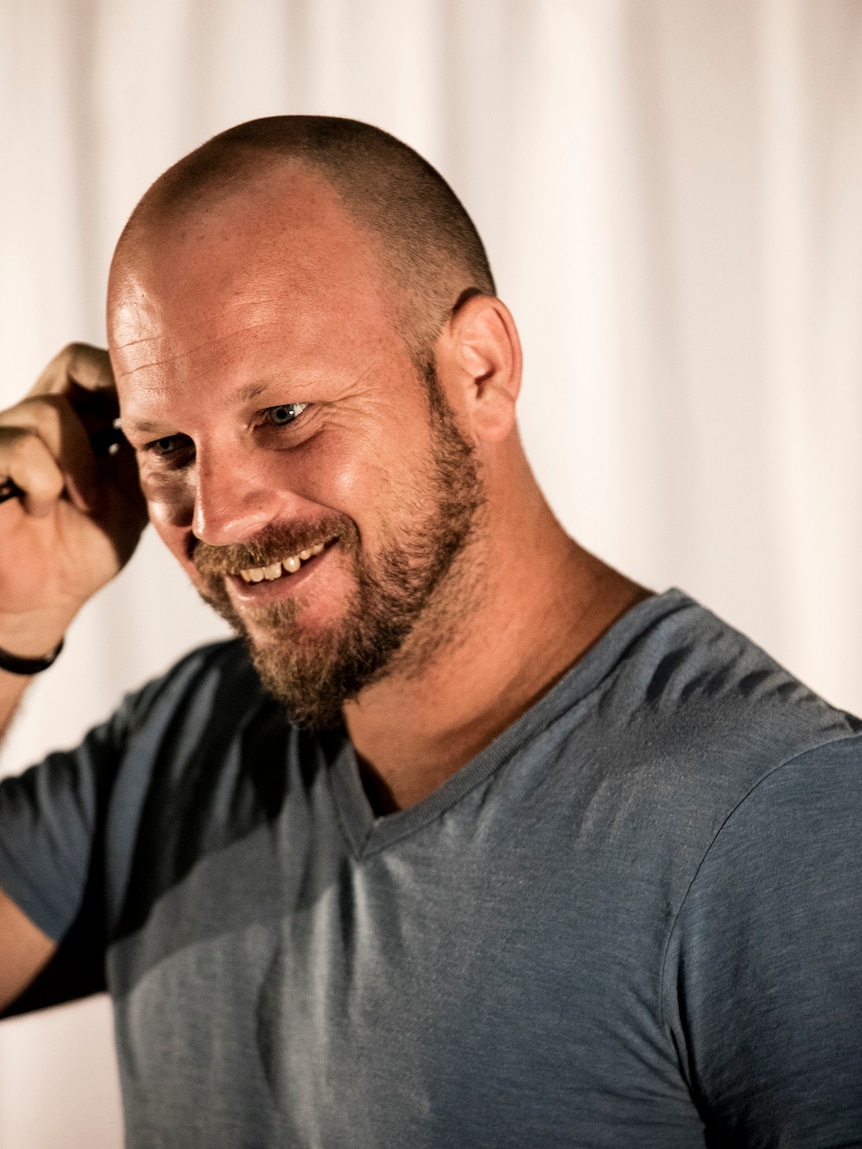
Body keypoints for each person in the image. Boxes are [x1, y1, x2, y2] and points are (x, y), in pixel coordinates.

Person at [0, 116, 859, 1147]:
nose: (217, 518)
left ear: (480, 372)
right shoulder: (185, 739)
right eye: (167, 446)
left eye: (283, 417)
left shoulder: (784, 819)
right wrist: (11, 615)